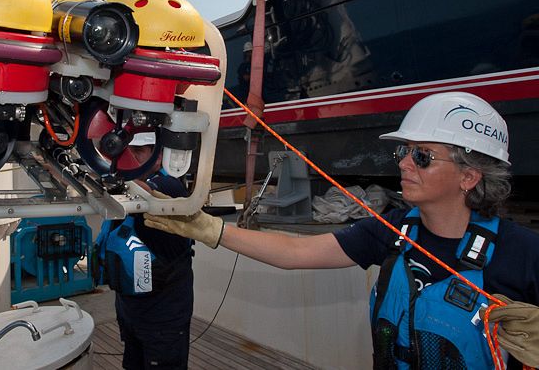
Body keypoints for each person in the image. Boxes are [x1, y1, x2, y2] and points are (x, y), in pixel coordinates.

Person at [145, 91, 539, 369]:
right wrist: (211, 229)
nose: (404, 164)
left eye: (422, 156)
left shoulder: (522, 253)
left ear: (469, 176)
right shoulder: (391, 232)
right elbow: (295, 253)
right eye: (404, 152)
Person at [96, 132, 194, 370]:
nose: (129, 157)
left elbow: (144, 192)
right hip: (131, 315)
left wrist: (102, 170)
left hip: (163, 320)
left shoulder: (169, 187)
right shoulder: (123, 191)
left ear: (158, 157)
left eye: (138, 151)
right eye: (126, 151)